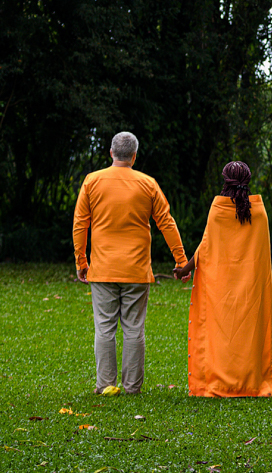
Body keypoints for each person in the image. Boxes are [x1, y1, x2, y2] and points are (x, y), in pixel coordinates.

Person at [72, 130, 188, 395]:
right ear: (134, 156)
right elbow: (166, 223)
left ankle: (106, 385)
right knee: (134, 329)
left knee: (105, 329)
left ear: (111, 153)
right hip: (136, 270)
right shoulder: (148, 183)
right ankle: (133, 388)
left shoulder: (92, 181)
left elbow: (80, 223)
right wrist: (181, 260)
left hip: (102, 269)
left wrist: (81, 261)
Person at [174, 160, 272, 398]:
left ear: (225, 181)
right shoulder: (260, 212)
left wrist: (185, 269)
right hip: (253, 288)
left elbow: (205, 248)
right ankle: (252, 381)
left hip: (219, 286)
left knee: (222, 332)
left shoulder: (217, 211)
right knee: (249, 331)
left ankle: (220, 381)